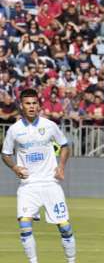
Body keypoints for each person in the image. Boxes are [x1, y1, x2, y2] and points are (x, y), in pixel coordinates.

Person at [1, 88, 76, 263]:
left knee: (65, 227)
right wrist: (15, 168)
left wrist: (61, 166)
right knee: (25, 225)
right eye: (28, 103)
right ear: (21, 106)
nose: (32, 107)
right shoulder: (14, 130)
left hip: (51, 183)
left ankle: (71, 261)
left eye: (34, 103)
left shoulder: (49, 126)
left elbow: (65, 145)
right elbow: (5, 154)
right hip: (28, 186)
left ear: (39, 106)